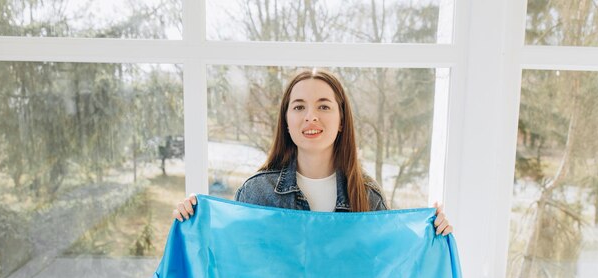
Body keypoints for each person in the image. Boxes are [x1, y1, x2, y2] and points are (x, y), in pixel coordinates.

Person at [173, 68, 453, 236]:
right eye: (299, 107)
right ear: (286, 120)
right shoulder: (256, 193)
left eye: (323, 106)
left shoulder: (368, 197)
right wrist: (193, 221)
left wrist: (431, 232)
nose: (311, 117)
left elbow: (390, 271)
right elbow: (229, 260)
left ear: (341, 120)